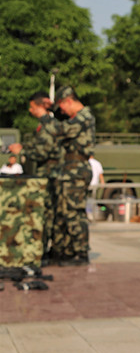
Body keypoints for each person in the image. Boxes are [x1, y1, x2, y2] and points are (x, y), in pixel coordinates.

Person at [34, 86, 95, 266]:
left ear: (69, 100)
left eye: (62, 107)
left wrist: (45, 116)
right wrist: (52, 110)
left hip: (77, 170)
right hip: (70, 170)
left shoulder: (84, 117)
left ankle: (81, 252)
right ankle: (67, 251)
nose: (62, 111)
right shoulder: (77, 117)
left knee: (73, 212)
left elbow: (60, 130)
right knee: (64, 211)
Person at [9, 91, 65, 262]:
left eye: (32, 106)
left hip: (49, 175)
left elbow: (45, 151)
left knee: (46, 214)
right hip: (47, 174)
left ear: (39, 106)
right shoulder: (45, 125)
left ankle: (45, 252)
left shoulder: (48, 125)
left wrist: (23, 151)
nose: (29, 110)